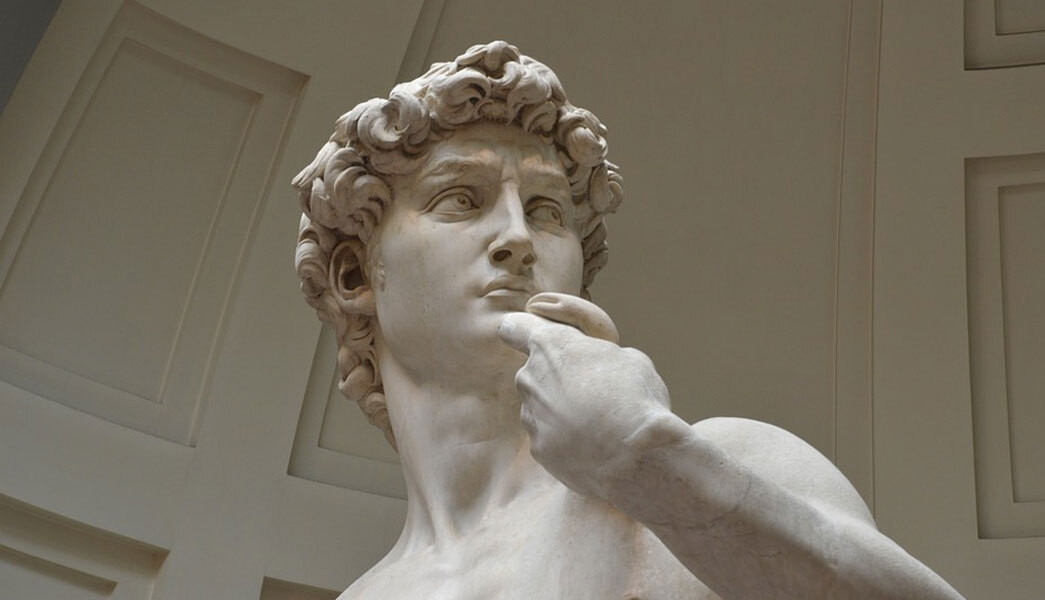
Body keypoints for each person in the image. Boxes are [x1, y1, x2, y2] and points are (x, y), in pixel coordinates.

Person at [292, 41, 964, 600]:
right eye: (462, 199)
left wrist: (649, 464)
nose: (518, 237)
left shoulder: (723, 467)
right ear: (355, 275)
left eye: (547, 211)